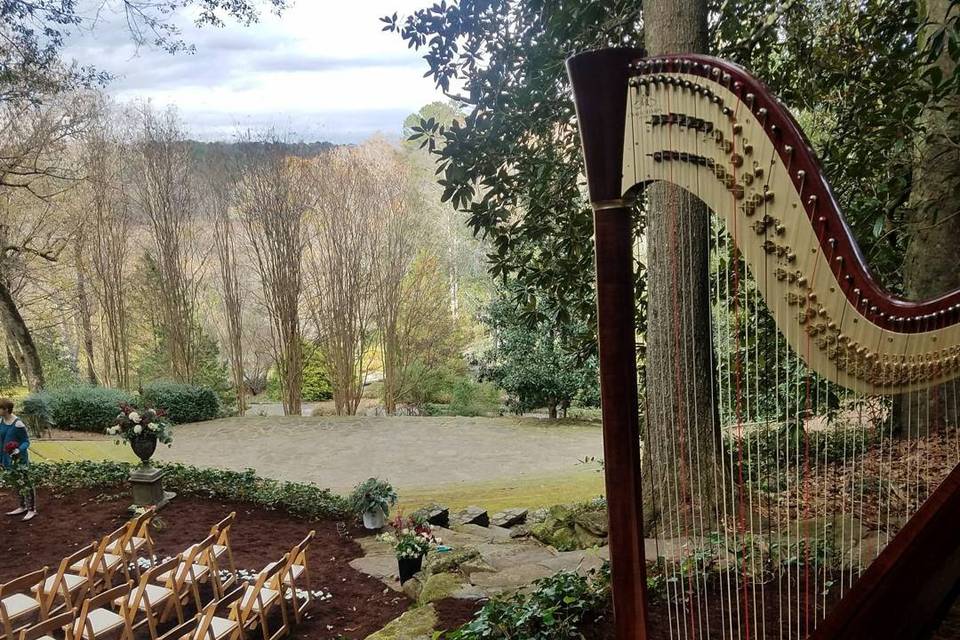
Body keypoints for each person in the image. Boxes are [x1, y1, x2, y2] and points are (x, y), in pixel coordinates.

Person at [0, 398, 37, 521]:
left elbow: (26, 441)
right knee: (16, 482)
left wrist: (18, 450)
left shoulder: (18, 423)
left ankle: (32, 509)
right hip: (7, 458)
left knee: (26, 482)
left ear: (6, 409)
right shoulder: (1, 421)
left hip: (19, 458)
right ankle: (22, 506)